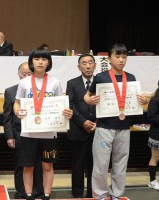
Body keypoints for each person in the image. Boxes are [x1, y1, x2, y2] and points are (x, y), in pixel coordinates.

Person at [84, 43, 149, 200]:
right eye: (117, 56)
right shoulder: (101, 77)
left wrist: (143, 100)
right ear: (109, 58)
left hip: (124, 127)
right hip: (104, 127)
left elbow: (137, 101)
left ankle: (117, 194)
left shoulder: (131, 78)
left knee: (120, 163)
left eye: (124, 57)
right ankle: (100, 194)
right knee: (101, 164)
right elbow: (87, 95)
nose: (121, 60)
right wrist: (90, 100)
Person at [13, 48, 73, 200]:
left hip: (49, 133)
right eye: (37, 59)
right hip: (28, 132)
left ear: (49, 62)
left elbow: (61, 104)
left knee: (47, 166)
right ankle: (28, 195)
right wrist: (17, 111)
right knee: (28, 166)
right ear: (31, 62)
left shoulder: (55, 82)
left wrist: (67, 112)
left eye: (44, 59)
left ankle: (46, 195)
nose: (40, 62)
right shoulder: (24, 83)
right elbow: (17, 103)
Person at [3, 62, 43, 199]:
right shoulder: (10, 91)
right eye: (23, 73)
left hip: (39, 131)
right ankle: (21, 192)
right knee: (21, 164)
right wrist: (9, 136)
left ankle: (37, 191)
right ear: (19, 75)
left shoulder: (40, 89)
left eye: (29, 73)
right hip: (19, 133)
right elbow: (7, 117)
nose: (26, 75)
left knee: (37, 163)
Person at [66, 53, 96, 198]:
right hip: (78, 130)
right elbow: (70, 105)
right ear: (79, 67)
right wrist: (83, 122)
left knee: (95, 165)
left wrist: (96, 123)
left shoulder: (101, 82)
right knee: (78, 165)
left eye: (90, 62)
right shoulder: (72, 83)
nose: (88, 66)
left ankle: (92, 193)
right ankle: (77, 194)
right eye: (84, 63)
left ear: (95, 65)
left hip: (98, 130)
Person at [147, 80, 159, 190]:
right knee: (155, 158)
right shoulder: (155, 99)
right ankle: (152, 181)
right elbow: (151, 116)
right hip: (157, 134)